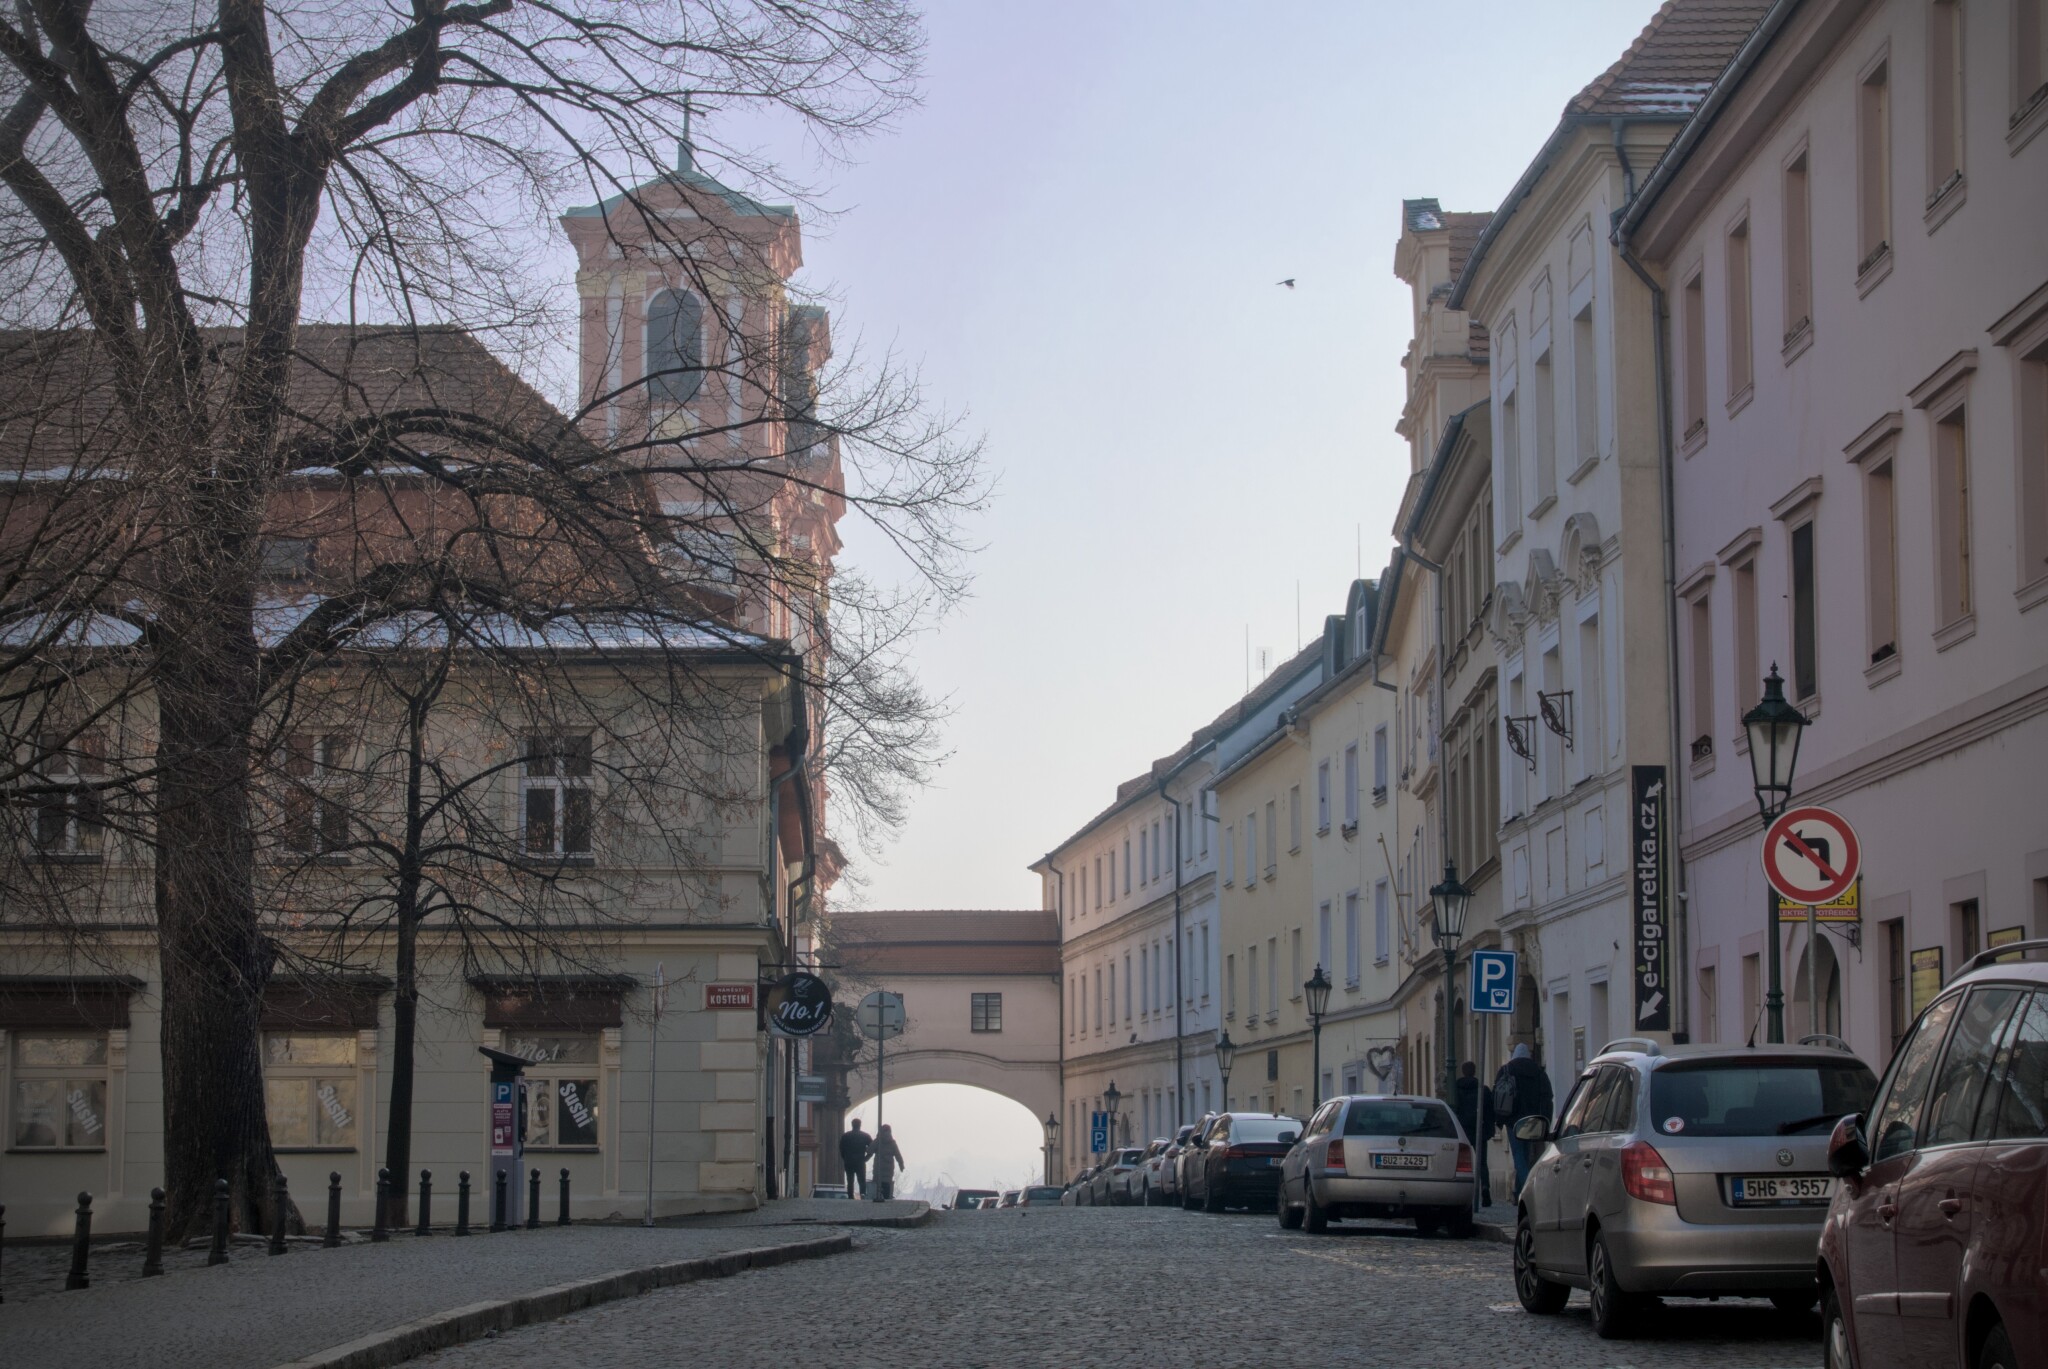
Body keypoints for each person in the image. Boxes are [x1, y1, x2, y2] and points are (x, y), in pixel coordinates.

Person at [1492, 1042, 1554, 1200]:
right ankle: (1518, 1193)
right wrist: (1546, 1120)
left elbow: (1497, 1095)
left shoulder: (1507, 1070)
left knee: (1519, 1155)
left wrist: (1499, 1120)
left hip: (1513, 1120)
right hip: (1534, 1120)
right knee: (1525, 1155)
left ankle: (1529, 1190)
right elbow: (1547, 1096)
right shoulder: (1539, 1072)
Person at [1452, 1060, 1493, 1206]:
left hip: (1462, 1130)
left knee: (1459, 1162)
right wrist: (1489, 1131)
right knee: (1482, 1163)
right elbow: (1490, 1112)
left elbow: (1453, 1110)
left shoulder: (1455, 1090)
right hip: (1479, 1129)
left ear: (1463, 1072)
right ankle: (1485, 1186)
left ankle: (1460, 1191)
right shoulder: (1483, 1090)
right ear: (1474, 1072)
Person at [869, 1122, 905, 1201]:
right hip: (888, 1169)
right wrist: (901, 1164)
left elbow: (870, 1150)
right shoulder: (892, 1143)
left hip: (878, 1168)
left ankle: (878, 1199)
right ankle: (886, 1200)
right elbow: (898, 1155)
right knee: (887, 1186)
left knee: (877, 1187)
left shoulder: (878, 1141)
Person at [837, 1118, 872, 1199]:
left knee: (850, 1181)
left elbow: (841, 1149)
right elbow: (872, 1148)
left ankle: (850, 1197)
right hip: (860, 1161)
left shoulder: (845, 1136)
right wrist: (866, 1158)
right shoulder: (865, 1136)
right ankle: (863, 1196)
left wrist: (845, 1158)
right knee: (862, 1181)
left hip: (849, 1161)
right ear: (860, 1125)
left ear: (852, 1125)